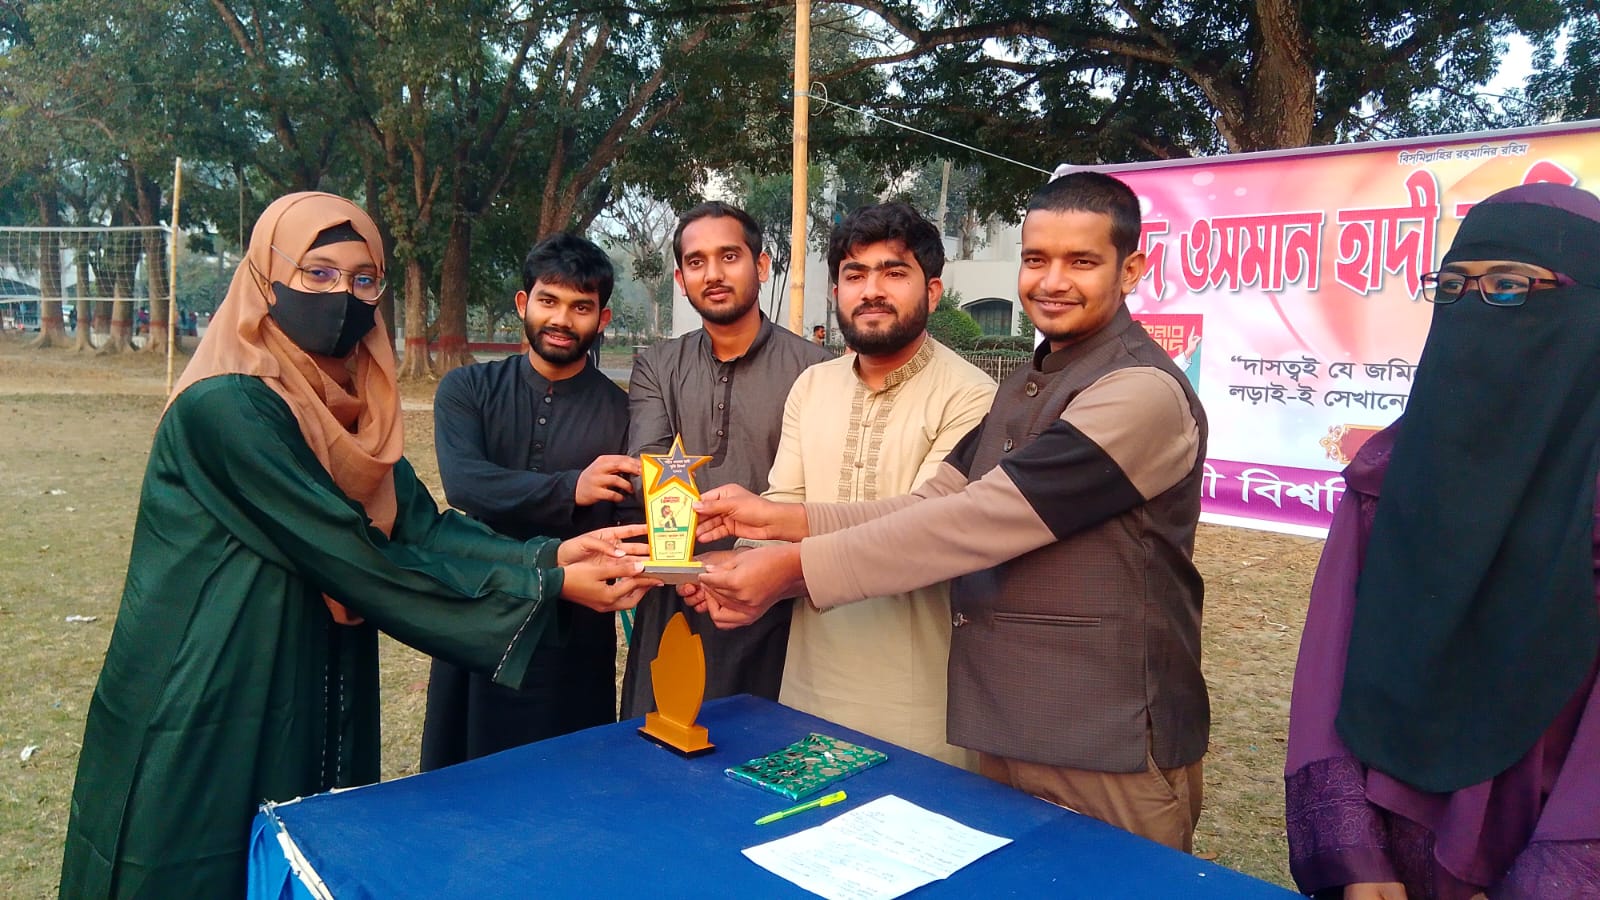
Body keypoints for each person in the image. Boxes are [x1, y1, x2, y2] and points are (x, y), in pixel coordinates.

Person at [57, 193, 655, 899]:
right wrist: (547, 586)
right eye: (317, 273)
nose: (343, 295)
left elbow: (420, 525)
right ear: (266, 278)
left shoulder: (345, 413)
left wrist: (550, 556)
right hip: (214, 674)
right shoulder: (230, 405)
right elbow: (355, 554)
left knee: (305, 850)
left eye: (363, 279)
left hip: (310, 664)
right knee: (201, 858)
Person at [687, 171, 1211, 852]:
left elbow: (975, 522)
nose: (1053, 281)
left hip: (1107, 733)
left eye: (1081, 262)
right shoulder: (1026, 386)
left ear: (1131, 270)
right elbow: (928, 503)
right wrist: (770, 520)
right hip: (1007, 724)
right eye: (1036, 259)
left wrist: (793, 569)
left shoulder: (1139, 392)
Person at [1284, 183, 1600, 900]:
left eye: (1510, 285)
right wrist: (1357, 859)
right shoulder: (1390, 476)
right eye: (1453, 287)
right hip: (1390, 861)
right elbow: (1329, 667)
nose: (1473, 308)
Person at [736, 202, 994, 767]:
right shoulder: (812, 386)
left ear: (932, 292)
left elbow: (925, 531)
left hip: (919, 701)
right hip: (808, 687)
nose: (871, 291)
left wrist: (779, 561)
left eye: (893, 272)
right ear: (836, 292)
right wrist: (730, 567)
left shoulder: (972, 396)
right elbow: (782, 505)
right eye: (855, 275)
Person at [420, 233, 639, 770]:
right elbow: (466, 484)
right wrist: (572, 488)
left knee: (566, 777)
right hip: (477, 608)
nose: (561, 319)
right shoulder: (467, 389)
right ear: (523, 303)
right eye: (548, 300)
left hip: (574, 627)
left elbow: (631, 520)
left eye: (580, 307)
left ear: (603, 319)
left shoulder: (622, 413)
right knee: (464, 774)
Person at [619, 201, 831, 718]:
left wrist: (754, 562)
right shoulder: (657, 366)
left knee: (767, 745)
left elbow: (819, 492)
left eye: (729, 256)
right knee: (661, 739)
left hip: (777, 601)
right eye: (696, 262)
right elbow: (649, 470)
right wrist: (693, 567)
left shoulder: (816, 371)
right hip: (675, 593)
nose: (712, 274)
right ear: (680, 278)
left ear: (761, 266)